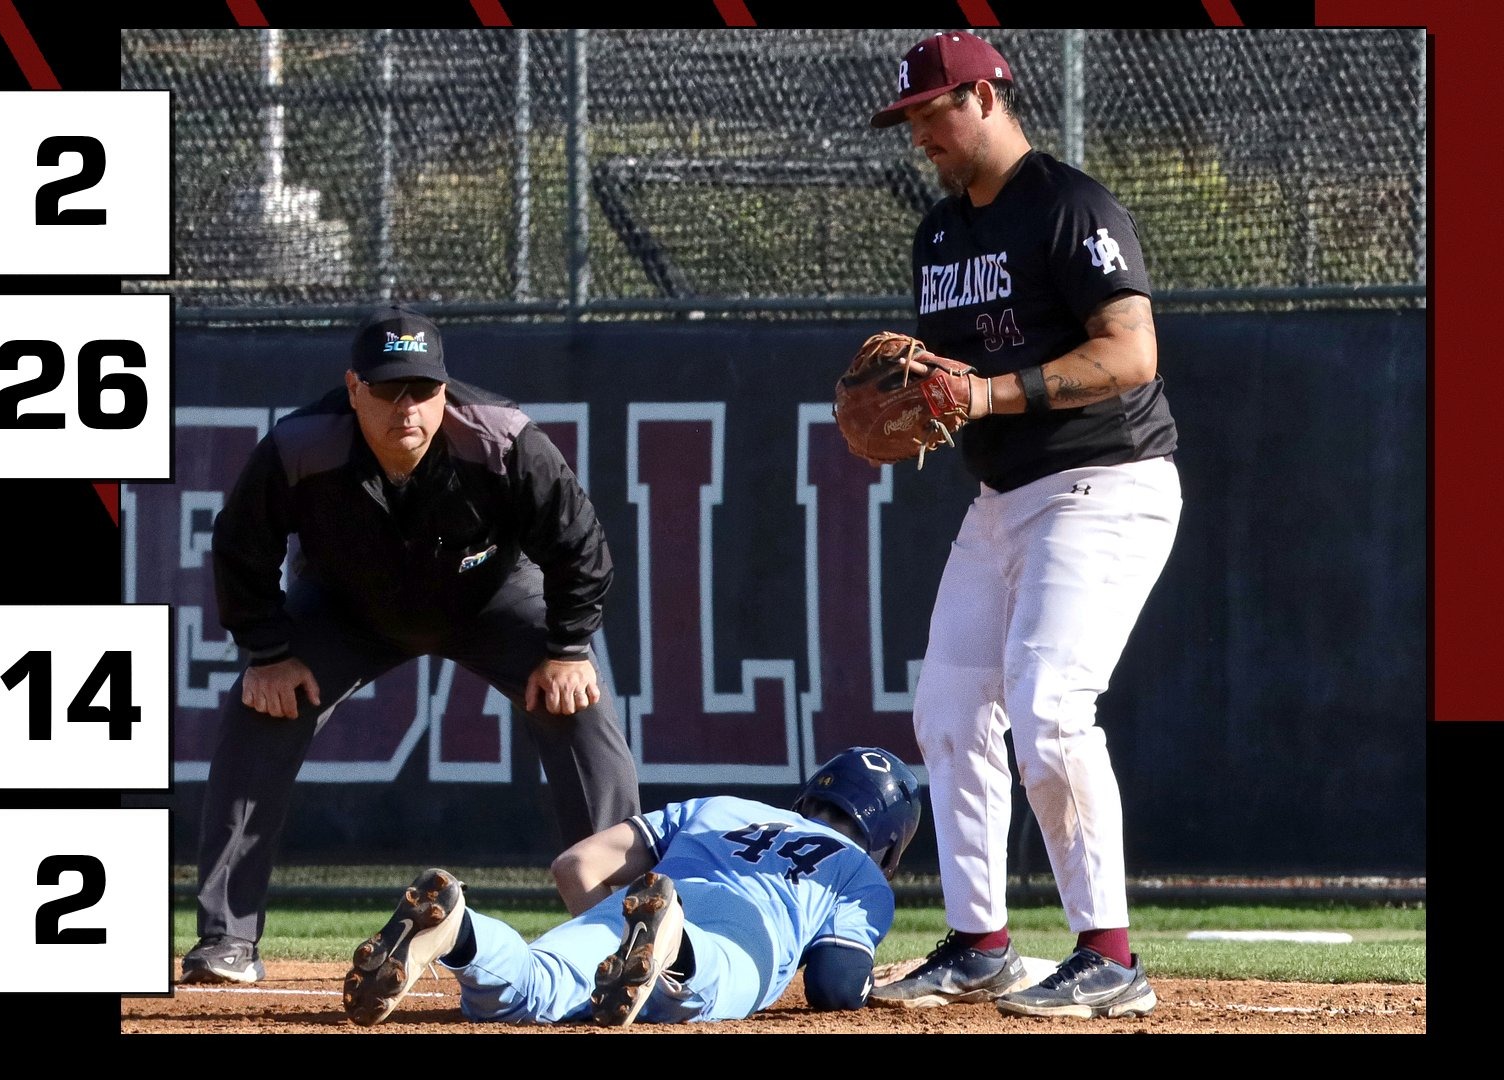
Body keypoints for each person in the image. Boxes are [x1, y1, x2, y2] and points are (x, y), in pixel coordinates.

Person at [181, 304, 642, 985]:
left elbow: (581, 546)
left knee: (578, 705)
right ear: (353, 388)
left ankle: (626, 929)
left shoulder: (503, 437)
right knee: (262, 710)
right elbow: (240, 547)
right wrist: (268, 654)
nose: (407, 408)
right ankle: (227, 938)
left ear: (443, 390)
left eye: (422, 390)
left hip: (490, 598)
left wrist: (569, 648)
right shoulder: (301, 444)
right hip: (345, 607)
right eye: (388, 389)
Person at [863, 31, 1181, 1020]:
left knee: (1049, 706)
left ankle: (1110, 958)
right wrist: (912, 402)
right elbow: (948, 385)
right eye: (908, 119)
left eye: (932, 112)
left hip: (1105, 485)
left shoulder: (1071, 207)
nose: (919, 134)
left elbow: (1130, 355)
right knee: (950, 713)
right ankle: (979, 944)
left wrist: (987, 394)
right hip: (1003, 500)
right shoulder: (939, 235)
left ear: (986, 96)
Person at [341, 747, 922, 1027]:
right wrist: (873, 981)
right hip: (742, 930)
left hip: (647, 898)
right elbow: (833, 986)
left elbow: (576, 865)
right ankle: (673, 949)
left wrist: (617, 943)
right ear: (889, 842)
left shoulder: (722, 806)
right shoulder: (861, 873)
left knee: (535, 987)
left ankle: (459, 933)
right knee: (698, 984)